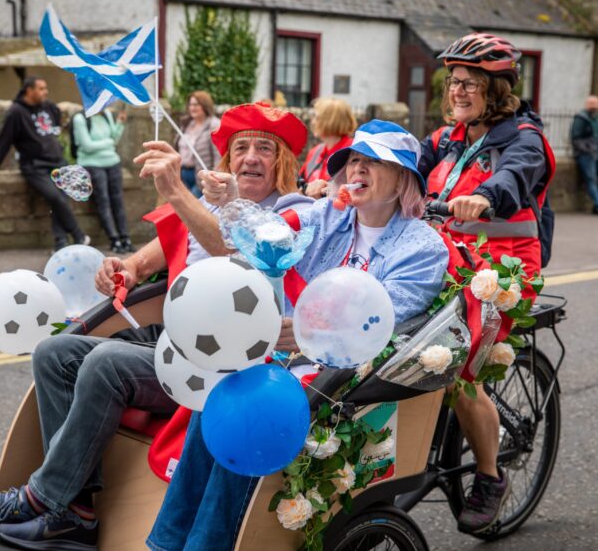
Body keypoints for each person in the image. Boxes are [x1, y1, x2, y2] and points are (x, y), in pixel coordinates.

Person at [0, 102, 311, 551]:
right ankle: (75, 511)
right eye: (241, 148)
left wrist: (177, 191)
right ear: (228, 160)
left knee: (106, 362)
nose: (250, 157)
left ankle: (41, 499)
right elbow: (156, 251)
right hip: (174, 339)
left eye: (265, 149)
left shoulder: (293, 212)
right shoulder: (214, 207)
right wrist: (127, 267)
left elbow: (233, 250)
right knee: (56, 352)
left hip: (222, 362)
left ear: (285, 163)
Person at [146, 120, 449, 551]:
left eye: (373, 163)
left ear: (403, 178)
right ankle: (168, 540)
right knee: (219, 393)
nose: (357, 171)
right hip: (287, 361)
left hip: (350, 381)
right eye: (354, 162)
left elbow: (386, 321)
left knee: (250, 413)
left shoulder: (422, 247)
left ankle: (205, 545)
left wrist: (309, 333)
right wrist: (227, 201)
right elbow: (263, 236)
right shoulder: (329, 215)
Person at [418, 32, 554, 534]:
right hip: (445, 262)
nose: (458, 91)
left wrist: (487, 197)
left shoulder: (524, 138)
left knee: (458, 363)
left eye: (470, 83)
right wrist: (356, 179)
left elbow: (516, 177)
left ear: (496, 89)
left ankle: (491, 477)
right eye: (453, 82)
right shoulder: (445, 139)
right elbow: (406, 172)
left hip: (503, 274)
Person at [0, 77, 89, 251]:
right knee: (55, 197)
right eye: (41, 88)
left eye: (45, 88)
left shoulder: (50, 107)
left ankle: (61, 244)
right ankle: (78, 235)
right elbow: (5, 139)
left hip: (58, 162)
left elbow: (54, 129)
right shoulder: (16, 112)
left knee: (61, 200)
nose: (45, 92)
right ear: (29, 90)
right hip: (34, 166)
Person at [72, 107, 135, 252]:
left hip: (112, 162)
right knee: (103, 201)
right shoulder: (80, 118)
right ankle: (114, 240)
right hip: (92, 164)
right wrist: (108, 143)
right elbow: (87, 146)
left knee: (118, 201)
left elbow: (115, 139)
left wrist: (119, 124)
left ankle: (125, 238)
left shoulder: (107, 114)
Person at [298, 97, 356, 198]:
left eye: (317, 118)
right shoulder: (315, 151)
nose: (312, 122)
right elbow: (300, 184)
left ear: (331, 120)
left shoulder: (354, 152)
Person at [571, 96, 598, 216]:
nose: (594, 107)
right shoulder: (581, 118)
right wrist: (587, 149)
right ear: (586, 105)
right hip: (587, 154)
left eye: (596, 105)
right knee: (591, 179)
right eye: (591, 105)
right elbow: (576, 138)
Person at [176, 90, 221, 197]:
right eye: (190, 104)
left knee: (193, 208)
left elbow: (218, 155)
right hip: (183, 174)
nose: (192, 108)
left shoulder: (214, 125)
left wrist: (214, 178)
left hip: (201, 177)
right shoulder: (187, 124)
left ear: (205, 105)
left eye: (196, 104)